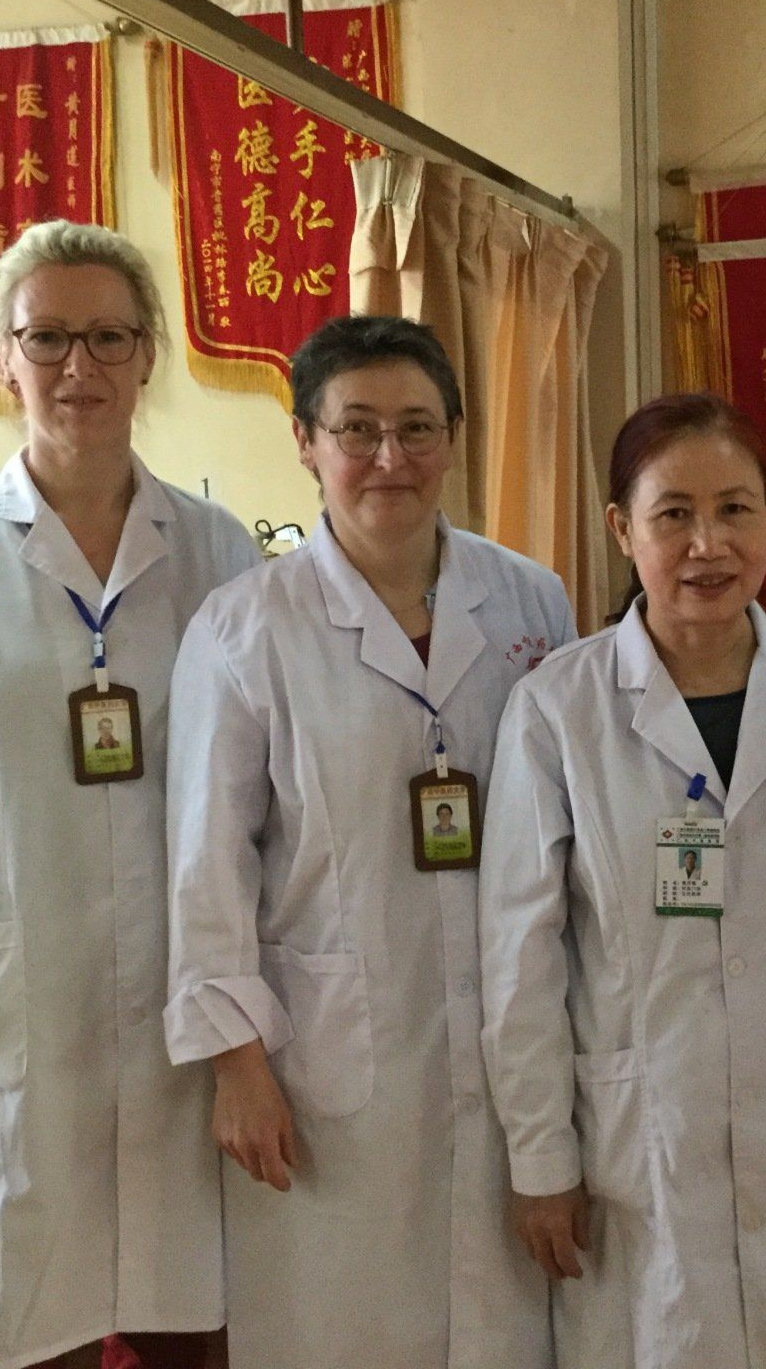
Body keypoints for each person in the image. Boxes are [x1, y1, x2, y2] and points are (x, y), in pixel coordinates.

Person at [0, 220, 262, 1369]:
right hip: (18, 1003)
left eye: (109, 337)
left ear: (148, 354)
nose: (80, 367)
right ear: (2, 358)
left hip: (182, 1011)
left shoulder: (217, 552)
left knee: (188, 1321)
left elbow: (258, 792)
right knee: (20, 1322)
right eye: (48, 339)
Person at [164, 315, 575, 1369]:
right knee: (339, 1326)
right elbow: (209, 865)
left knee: (501, 1329)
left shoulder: (531, 601)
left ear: (454, 437)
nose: (390, 457)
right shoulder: (244, 628)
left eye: (417, 427)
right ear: (306, 442)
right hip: (327, 1058)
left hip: (508, 1032)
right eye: (357, 429)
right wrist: (236, 1066)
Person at [479, 392, 766, 1369]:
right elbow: (520, 956)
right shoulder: (558, 710)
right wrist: (540, 1158)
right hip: (639, 1135)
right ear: (623, 529)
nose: (708, 545)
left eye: (736, 509)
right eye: (674, 514)